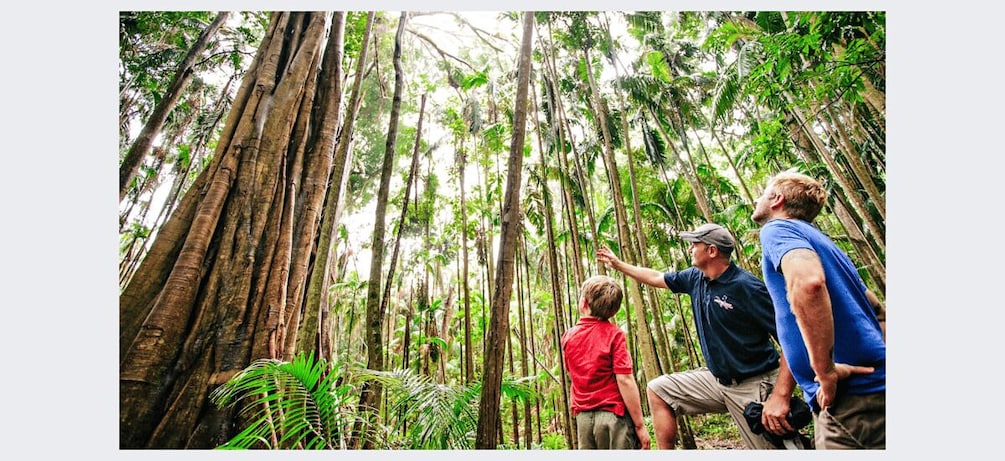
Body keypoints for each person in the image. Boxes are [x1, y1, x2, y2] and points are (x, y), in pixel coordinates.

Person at [597, 224, 800, 450]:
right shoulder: (696, 277)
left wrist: (781, 396)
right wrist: (618, 265)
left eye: (695, 244)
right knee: (659, 390)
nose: (691, 248)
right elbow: (656, 277)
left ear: (712, 251)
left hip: (753, 384)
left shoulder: (747, 287)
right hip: (716, 380)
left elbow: (793, 341)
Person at [751, 170, 886, 449]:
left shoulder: (777, 230)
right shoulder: (826, 244)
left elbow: (809, 283)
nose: (756, 199)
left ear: (776, 199)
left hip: (849, 403)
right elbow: (877, 308)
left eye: (763, 193)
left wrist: (825, 372)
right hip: (876, 388)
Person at [561, 275, 651, 450]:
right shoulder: (614, 334)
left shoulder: (568, 336)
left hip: (583, 420)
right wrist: (640, 425)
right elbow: (625, 380)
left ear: (584, 304)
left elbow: (572, 374)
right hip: (613, 418)